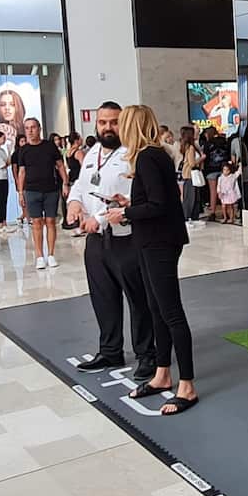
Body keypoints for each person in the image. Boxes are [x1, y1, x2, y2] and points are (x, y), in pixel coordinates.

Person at [106, 106, 196, 416]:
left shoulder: (148, 157)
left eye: (121, 124)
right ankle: (162, 373)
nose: (117, 130)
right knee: (156, 309)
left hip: (159, 242)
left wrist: (126, 213)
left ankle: (187, 385)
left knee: (170, 312)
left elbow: (159, 205)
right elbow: (160, 199)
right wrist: (131, 204)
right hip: (151, 241)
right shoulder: (153, 156)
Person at [65, 101, 155, 379]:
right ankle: (110, 350)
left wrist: (99, 218)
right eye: (102, 122)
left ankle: (147, 355)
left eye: (114, 122)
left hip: (125, 238)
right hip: (96, 241)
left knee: (138, 300)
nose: (108, 127)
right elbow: (82, 185)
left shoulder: (133, 154)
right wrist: (74, 203)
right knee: (103, 297)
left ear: (123, 123)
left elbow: (129, 196)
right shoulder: (92, 152)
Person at [15, 118, 70, 270]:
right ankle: (39, 255)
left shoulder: (49, 146)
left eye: (33, 127)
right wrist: (20, 192)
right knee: (36, 222)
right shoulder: (23, 150)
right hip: (31, 190)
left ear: (39, 128)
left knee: (51, 221)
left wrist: (65, 183)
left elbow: (60, 165)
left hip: (51, 189)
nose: (30, 131)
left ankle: (51, 254)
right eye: (27, 128)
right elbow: (21, 172)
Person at [201, 126, 232, 219]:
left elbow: (205, 157)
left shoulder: (207, 144)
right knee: (225, 191)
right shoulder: (224, 142)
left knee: (213, 191)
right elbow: (228, 154)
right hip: (224, 170)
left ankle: (213, 212)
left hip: (211, 170)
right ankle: (226, 212)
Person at [179, 125, 203, 224]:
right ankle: (189, 217)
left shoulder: (186, 146)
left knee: (193, 196)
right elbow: (192, 163)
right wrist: (202, 158)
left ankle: (192, 217)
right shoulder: (191, 147)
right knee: (191, 197)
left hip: (189, 175)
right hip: (190, 175)